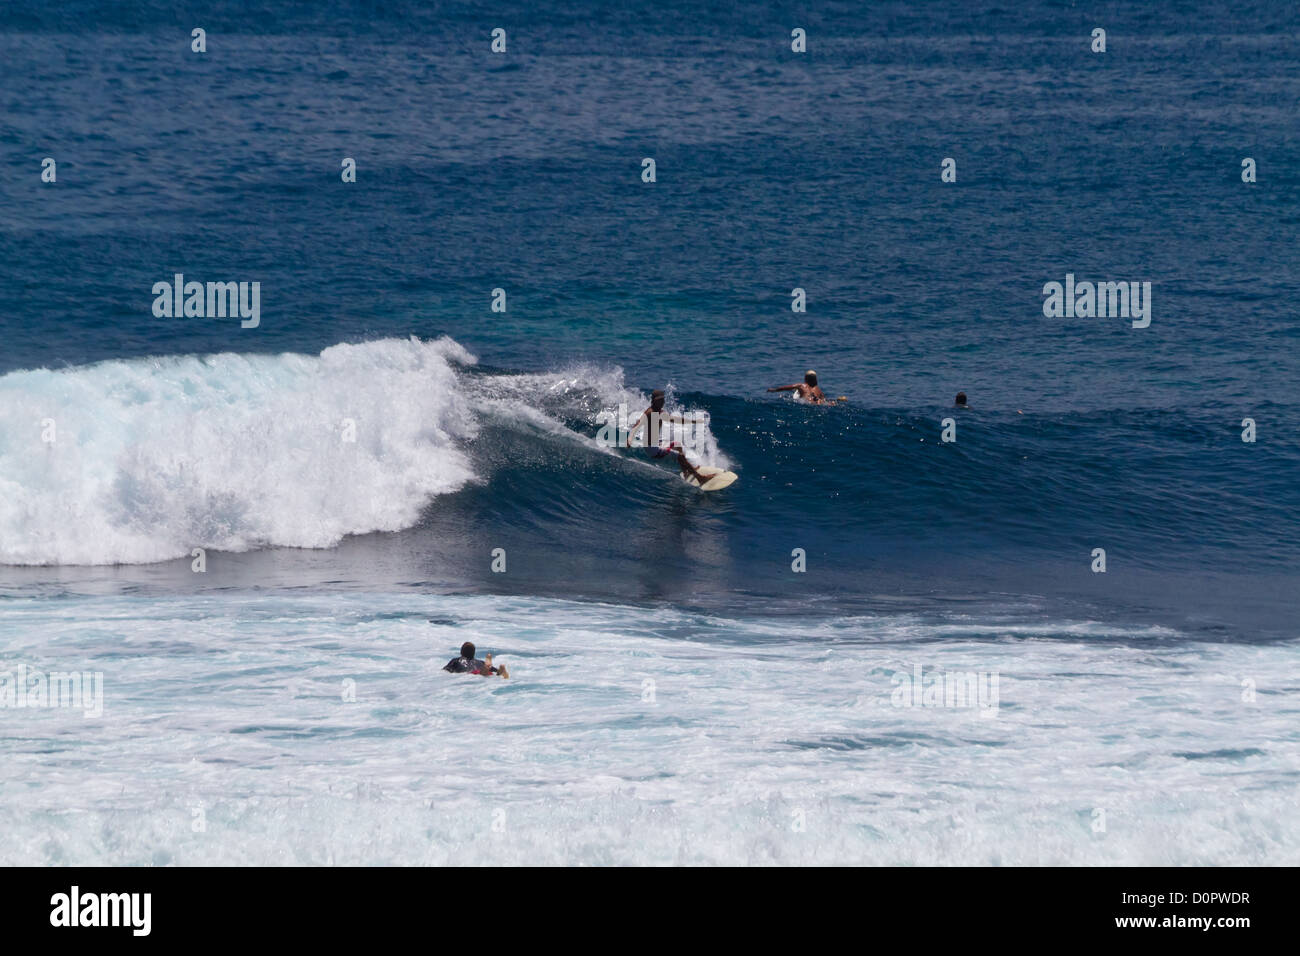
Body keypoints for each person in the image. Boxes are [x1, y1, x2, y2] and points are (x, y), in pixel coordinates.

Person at [626, 389, 712, 485]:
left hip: (657, 442)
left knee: (678, 446)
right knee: (680, 456)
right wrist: (629, 439)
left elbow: (676, 420)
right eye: (660, 400)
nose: (663, 402)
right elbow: (636, 426)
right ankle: (700, 478)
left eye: (663, 400)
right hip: (652, 449)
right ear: (654, 401)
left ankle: (686, 471)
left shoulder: (660, 412)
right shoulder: (650, 413)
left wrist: (693, 422)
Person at [767, 370, 843, 404]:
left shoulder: (801, 386)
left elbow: (785, 388)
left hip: (807, 403)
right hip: (818, 403)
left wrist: (774, 390)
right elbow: (824, 400)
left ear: (806, 379)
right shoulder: (819, 391)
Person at [443, 641, 508, 678]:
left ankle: (484, 670)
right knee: (488, 671)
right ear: (474, 653)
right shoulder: (480, 662)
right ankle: (499, 670)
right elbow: (494, 670)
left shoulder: (456, 661)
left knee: (481, 673)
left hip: (471, 674)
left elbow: (445, 671)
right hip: (482, 671)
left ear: (461, 652)